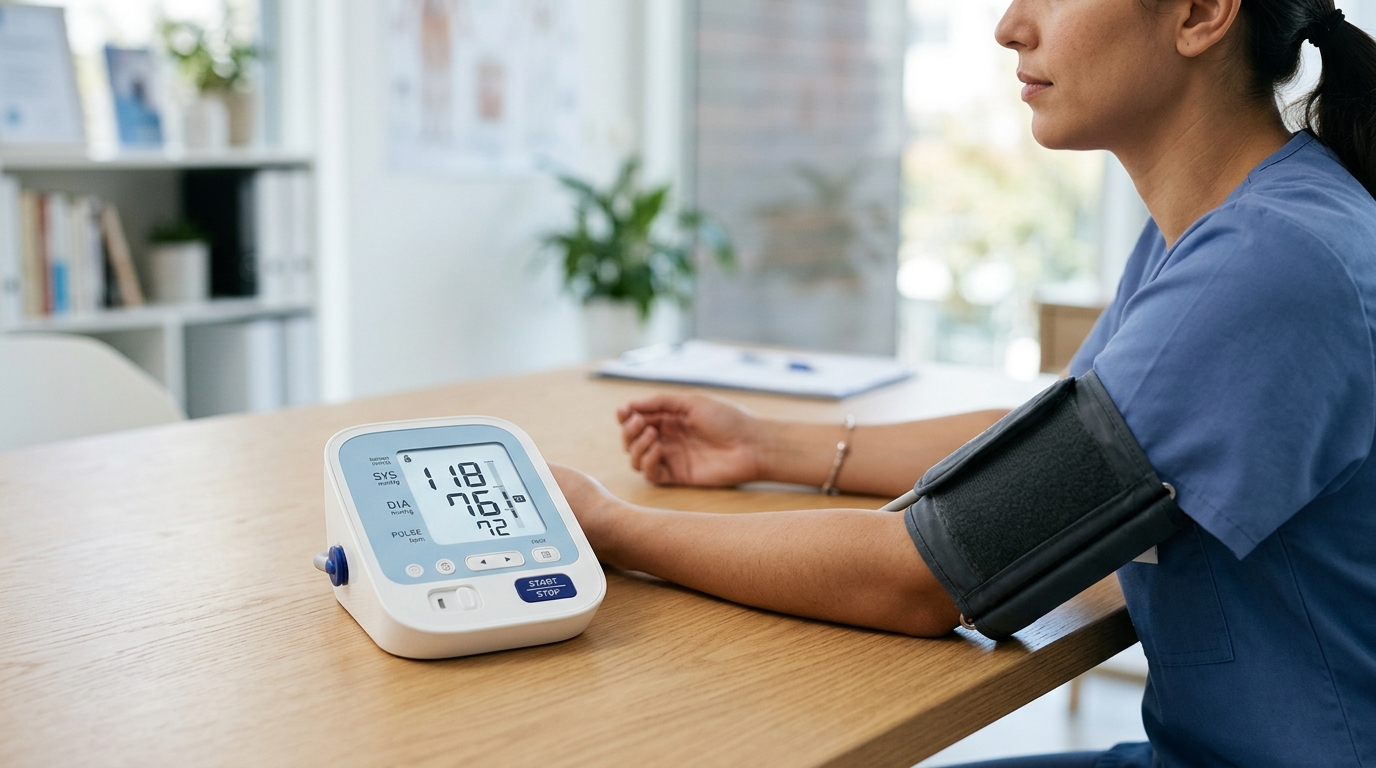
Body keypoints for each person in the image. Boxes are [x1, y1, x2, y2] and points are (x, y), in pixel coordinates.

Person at [550, 0, 1376, 764]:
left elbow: (916, 578)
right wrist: (767, 444)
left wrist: (607, 524)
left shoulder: (1266, 262)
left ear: (1199, 13)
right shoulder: (1228, 227)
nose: (1011, 25)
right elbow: (1064, 441)